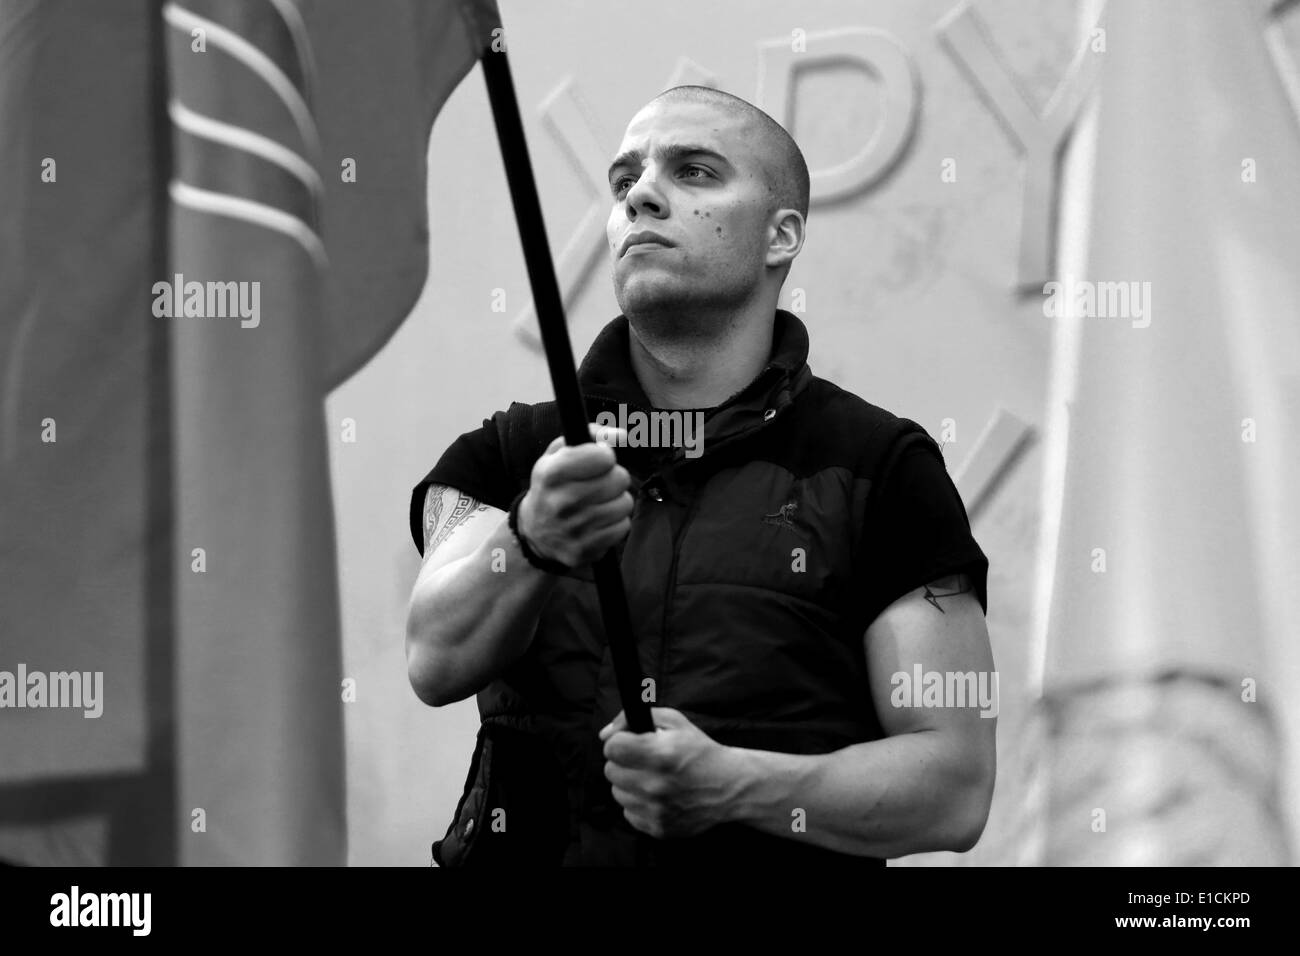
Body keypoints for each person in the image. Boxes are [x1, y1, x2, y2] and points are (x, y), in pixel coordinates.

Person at [405, 85, 995, 867]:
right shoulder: (509, 456)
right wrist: (530, 540)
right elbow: (434, 661)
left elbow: (953, 788)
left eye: (695, 172)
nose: (643, 195)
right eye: (624, 183)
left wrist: (738, 785)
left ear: (781, 235)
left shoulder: (881, 470)